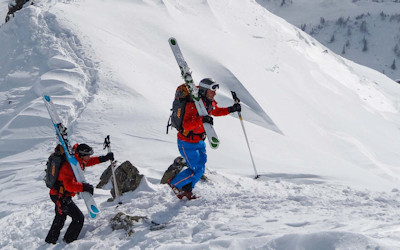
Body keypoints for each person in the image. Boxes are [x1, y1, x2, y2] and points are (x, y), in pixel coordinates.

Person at [168, 78, 241, 199]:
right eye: (212, 90)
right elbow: (186, 125)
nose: (215, 93)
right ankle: (174, 184)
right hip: (187, 142)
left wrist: (231, 109)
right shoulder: (193, 105)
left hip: (199, 141)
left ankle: (187, 190)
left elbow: (216, 111)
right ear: (204, 90)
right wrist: (201, 120)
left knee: (200, 168)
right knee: (196, 169)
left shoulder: (208, 102)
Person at [45, 143, 114, 244]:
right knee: (78, 218)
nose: (89, 157)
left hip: (60, 194)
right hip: (60, 196)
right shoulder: (69, 166)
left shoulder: (77, 161)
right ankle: (68, 241)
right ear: (82, 155)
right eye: (88, 155)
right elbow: (68, 185)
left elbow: (89, 161)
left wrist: (104, 158)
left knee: (60, 217)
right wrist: (84, 187)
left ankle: (50, 241)